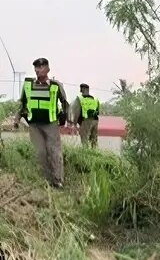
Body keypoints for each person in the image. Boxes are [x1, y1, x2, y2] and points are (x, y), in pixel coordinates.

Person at [17, 57, 70, 188]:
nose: (38, 70)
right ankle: (46, 180)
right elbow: (23, 103)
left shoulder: (55, 85)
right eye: (36, 67)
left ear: (48, 69)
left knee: (54, 151)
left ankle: (58, 181)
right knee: (40, 152)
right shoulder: (28, 84)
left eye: (41, 67)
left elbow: (65, 103)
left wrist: (67, 120)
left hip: (51, 124)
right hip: (34, 124)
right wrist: (17, 118)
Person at [75, 82, 101, 149]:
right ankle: (94, 152)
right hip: (95, 120)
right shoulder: (95, 99)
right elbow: (98, 111)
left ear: (82, 89)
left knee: (84, 138)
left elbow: (77, 111)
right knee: (94, 138)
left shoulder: (80, 99)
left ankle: (85, 152)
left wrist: (77, 122)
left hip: (86, 120)